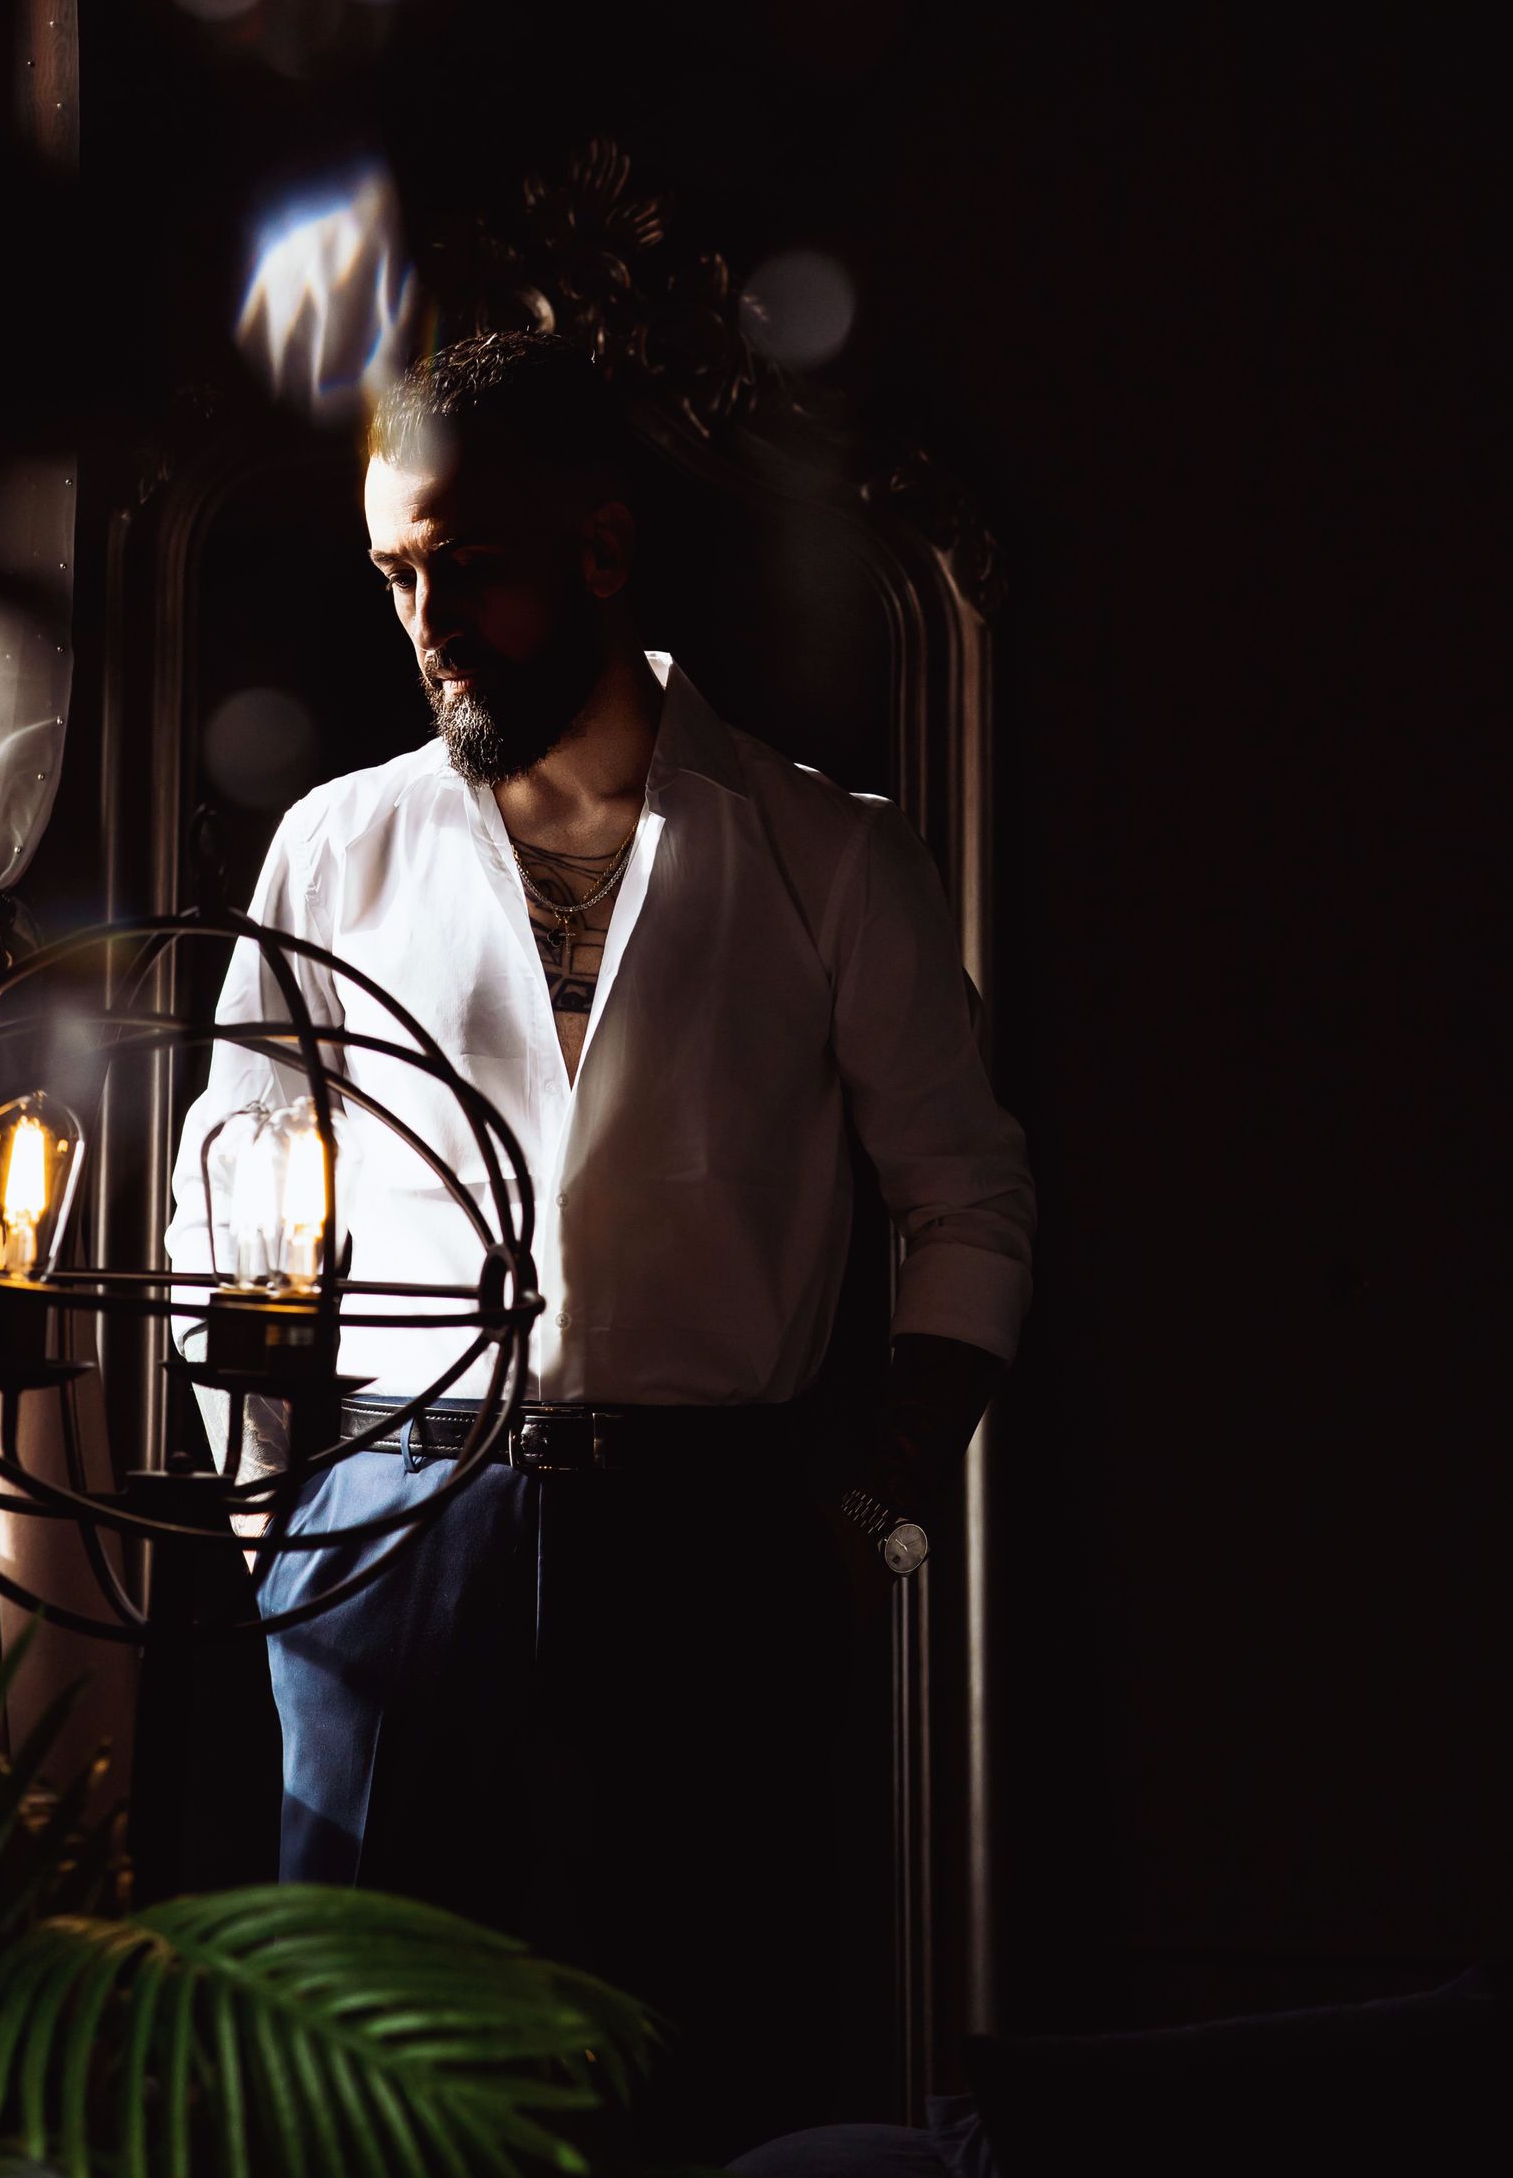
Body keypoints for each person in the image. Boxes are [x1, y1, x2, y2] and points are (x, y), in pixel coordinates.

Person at [168, 330, 1036, 2159]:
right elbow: (223, 1197)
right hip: (386, 1533)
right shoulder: (332, 852)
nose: (427, 623)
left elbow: (969, 1200)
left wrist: (865, 1512)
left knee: (695, 2076)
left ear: (605, 551)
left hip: (710, 1559)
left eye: (467, 564)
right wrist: (284, 1534)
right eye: (395, 574)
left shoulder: (827, 855)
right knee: (366, 2102)